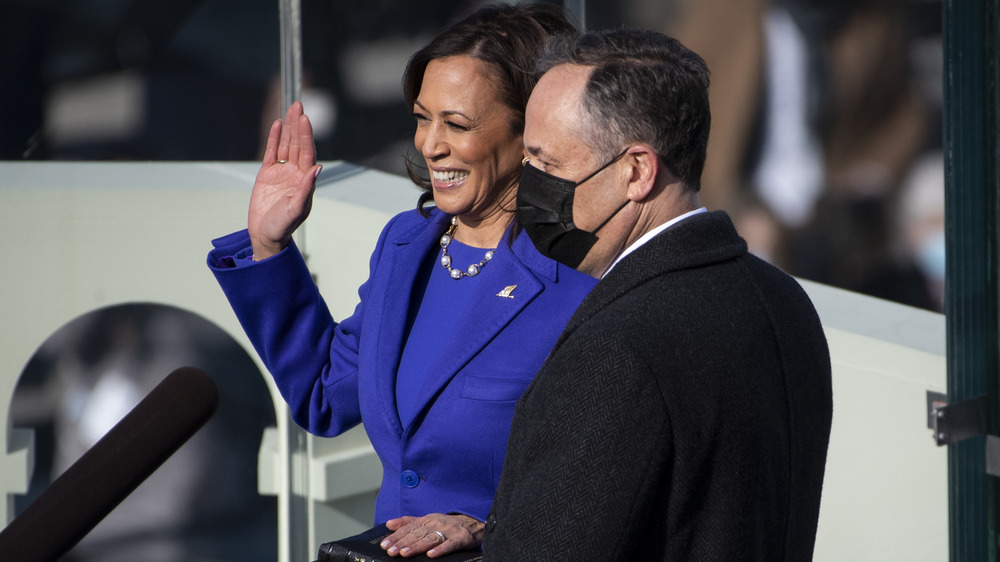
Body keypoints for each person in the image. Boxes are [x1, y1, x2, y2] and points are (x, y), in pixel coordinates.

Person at [206, 5, 594, 558]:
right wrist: (270, 246)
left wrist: (486, 523)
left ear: (530, 132)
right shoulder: (407, 244)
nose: (430, 144)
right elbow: (325, 395)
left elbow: (607, 466)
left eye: (456, 124)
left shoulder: (579, 272)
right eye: (422, 117)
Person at [482, 29, 833, 560]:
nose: (527, 184)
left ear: (637, 171)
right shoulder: (785, 301)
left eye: (547, 165)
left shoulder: (617, 349)